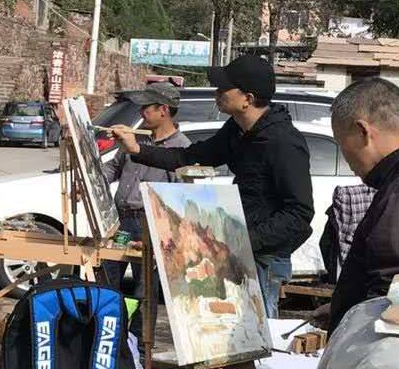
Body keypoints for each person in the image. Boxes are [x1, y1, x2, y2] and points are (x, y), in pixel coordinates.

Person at [111, 54, 314, 317]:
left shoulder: (284, 143)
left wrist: (243, 242)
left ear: (247, 99)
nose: (217, 92)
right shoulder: (237, 129)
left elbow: (299, 214)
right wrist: (136, 149)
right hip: (239, 249)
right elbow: (188, 156)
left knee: (259, 338)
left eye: (224, 88)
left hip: (264, 258)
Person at [320, 77, 399, 333]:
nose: (347, 161)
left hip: (387, 360)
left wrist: (353, 323)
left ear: (363, 131)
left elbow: (391, 301)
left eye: (343, 146)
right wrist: (341, 308)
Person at [101, 83, 191, 295]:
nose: (141, 113)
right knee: (105, 284)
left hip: (149, 225)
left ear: (164, 110)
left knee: (144, 293)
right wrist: (89, 181)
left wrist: (163, 235)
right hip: (119, 221)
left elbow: (180, 198)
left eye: (146, 108)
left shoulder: (181, 148)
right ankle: (114, 327)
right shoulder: (136, 139)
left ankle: (139, 329)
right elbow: (113, 168)